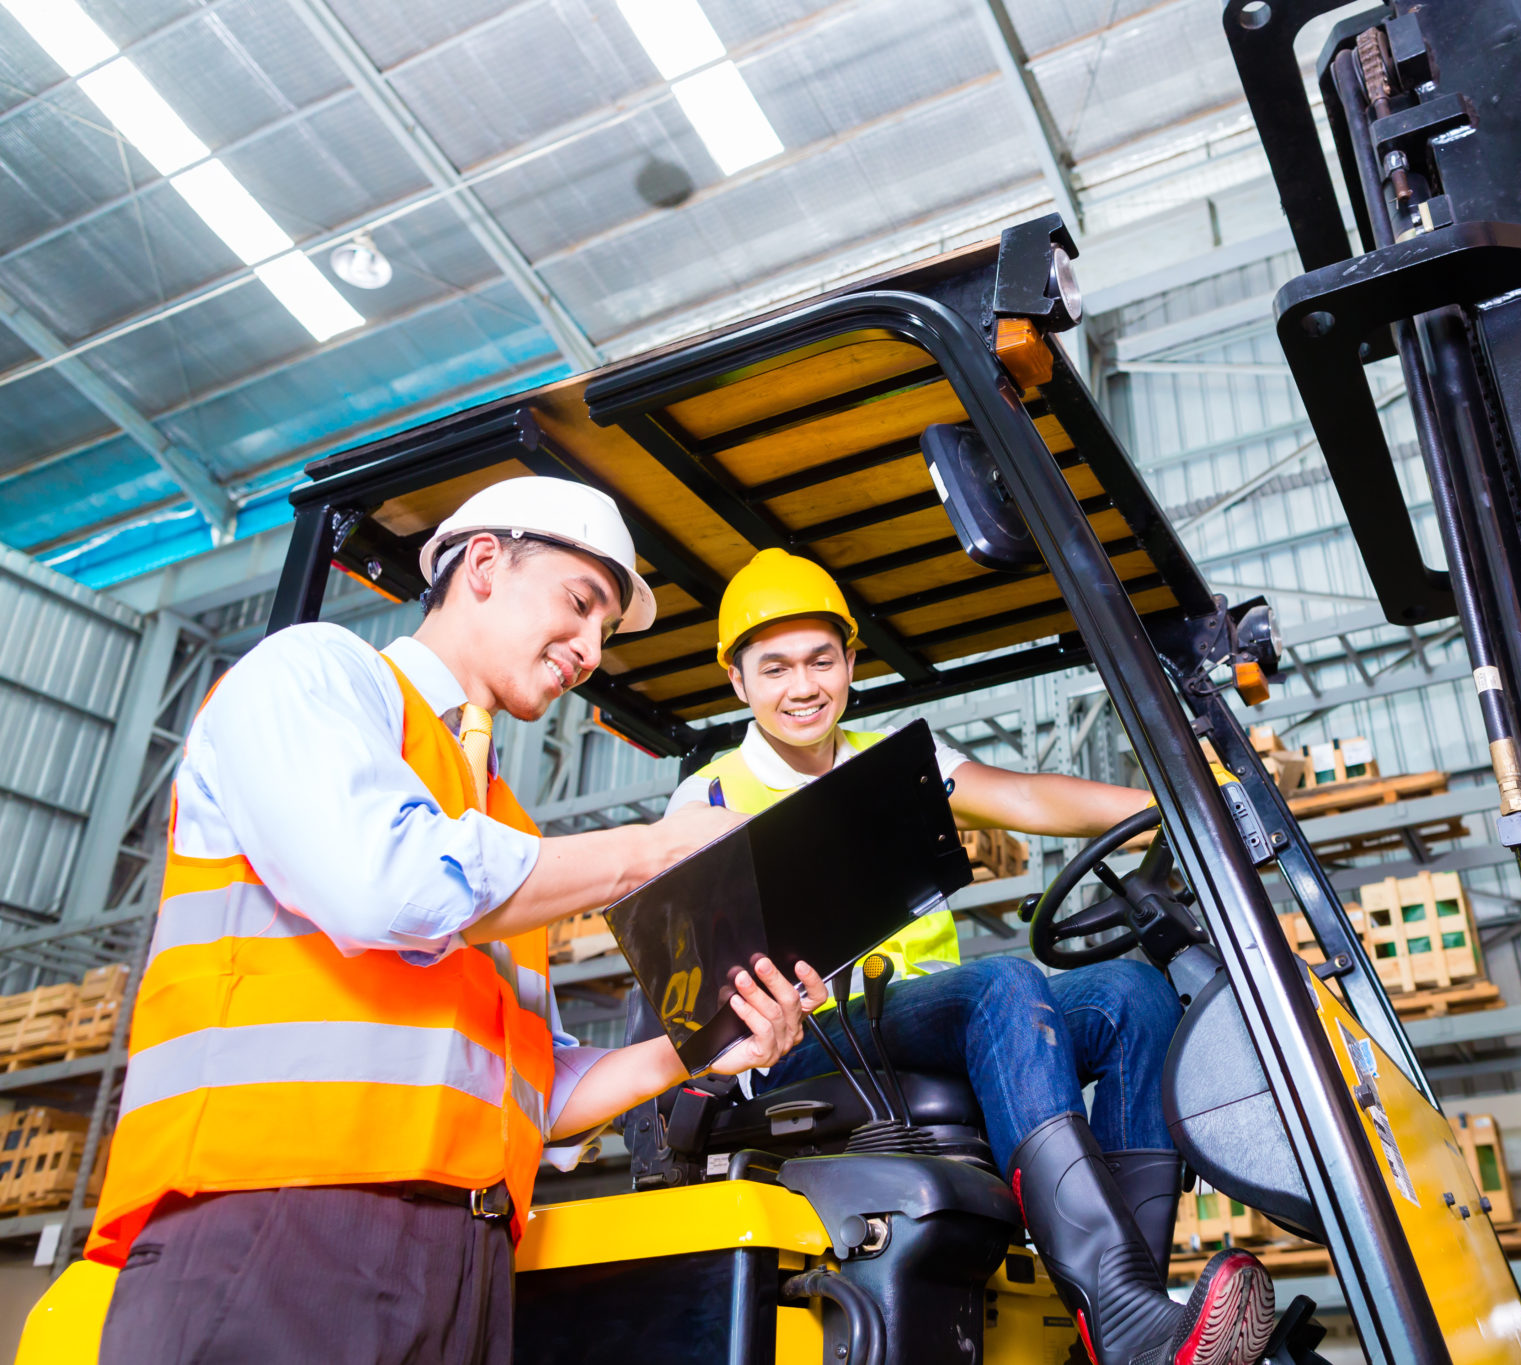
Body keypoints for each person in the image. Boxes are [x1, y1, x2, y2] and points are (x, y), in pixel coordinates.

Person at [88, 478, 824, 1365]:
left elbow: (535, 1089)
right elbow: (381, 887)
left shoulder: (505, 831)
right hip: (280, 1224)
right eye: (580, 603)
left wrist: (703, 1045)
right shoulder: (313, 675)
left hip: (467, 1255)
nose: (591, 650)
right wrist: (649, 851)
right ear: (482, 562)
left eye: (604, 632)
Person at [664, 549, 1277, 1365]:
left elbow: (1023, 795)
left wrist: (1185, 810)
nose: (802, 685)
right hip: (798, 1041)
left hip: (921, 1017)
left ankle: (1129, 1317)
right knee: (1004, 983)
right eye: (774, 667)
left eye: (820, 660)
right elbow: (687, 976)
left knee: (1134, 990)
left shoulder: (895, 761)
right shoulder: (706, 799)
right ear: (738, 680)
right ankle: (1117, 1304)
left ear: (850, 662)